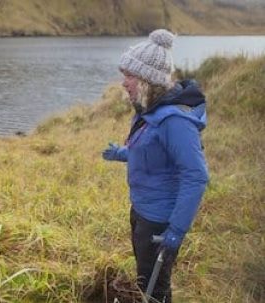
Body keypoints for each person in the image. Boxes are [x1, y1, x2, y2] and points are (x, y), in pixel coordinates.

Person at [101, 29, 208, 302]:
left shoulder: (175, 121)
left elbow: (195, 175)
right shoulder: (149, 111)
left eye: (129, 76)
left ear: (148, 79)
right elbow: (152, 153)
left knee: (154, 290)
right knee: (144, 278)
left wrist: (176, 229)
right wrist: (122, 154)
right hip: (141, 211)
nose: (124, 83)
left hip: (160, 221)